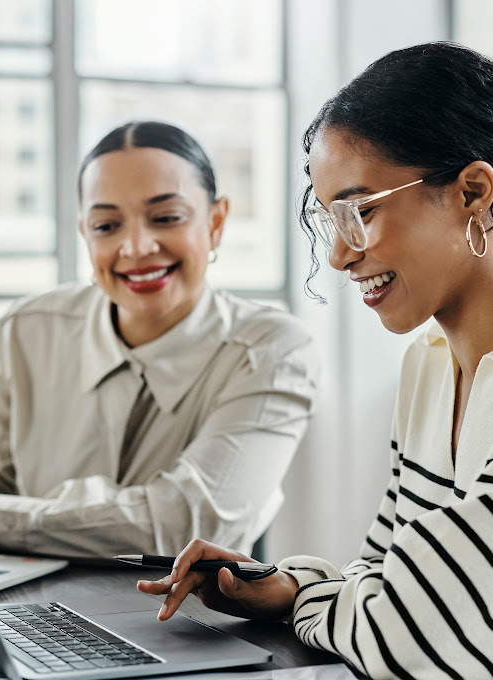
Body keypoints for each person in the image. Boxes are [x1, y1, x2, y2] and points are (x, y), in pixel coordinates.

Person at [138, 43, 493, 679]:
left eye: (361, 210)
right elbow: (381, 576)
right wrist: (286, 588)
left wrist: (307, 597)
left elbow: (401, 635)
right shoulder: (430, 366)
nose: (338, 255)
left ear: (472, 191)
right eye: (328, 217)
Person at [0, 120, 318, 560]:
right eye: (106, 226)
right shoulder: (24, 332)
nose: (136, 247)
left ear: (216, 222)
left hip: (189, 618)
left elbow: (188, 527)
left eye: (166, 218)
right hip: (32, 608)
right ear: (85, 235)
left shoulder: (272, 350)